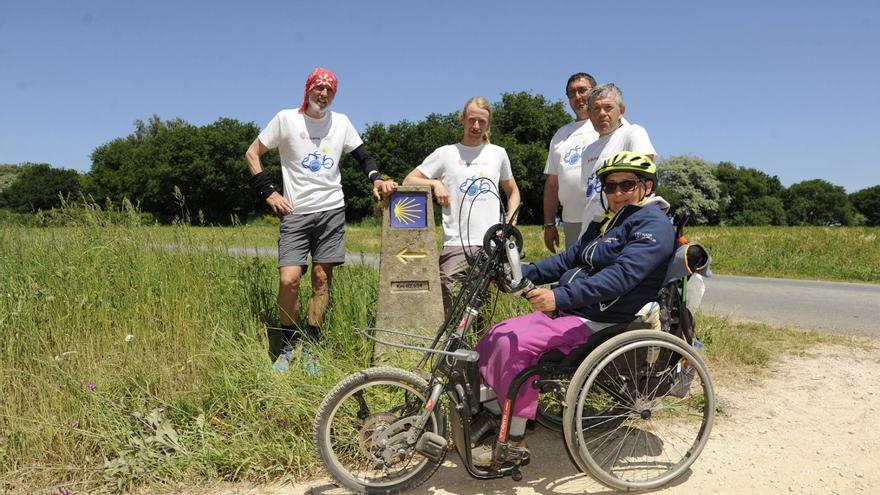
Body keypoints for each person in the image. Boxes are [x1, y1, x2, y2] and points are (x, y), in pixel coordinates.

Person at [473, 152, 674, 465]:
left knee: (517, 347)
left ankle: (514, 440)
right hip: (577, 311)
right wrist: (522, 273)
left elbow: (622, 277)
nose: (617, 193)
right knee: (499, 333)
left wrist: (560, 298)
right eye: (610, 187)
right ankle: (498, 410)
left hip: (602, 319)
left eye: (627, 185)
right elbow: (568, 260)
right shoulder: (607, 222)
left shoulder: (655, 225)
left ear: (647, 186)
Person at [244, 67, 397, 373]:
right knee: (289, 280)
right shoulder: (287, 119)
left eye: (330, 90)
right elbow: (252, 153)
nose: (324, 94)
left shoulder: (341, 122)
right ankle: (288, 343)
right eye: (318, 88)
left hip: (331, 211)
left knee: (321, 278)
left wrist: (376, 178)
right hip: (295, 213)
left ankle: (312, 341)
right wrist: (269, 192)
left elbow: (363, 158)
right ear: (308, 90)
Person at [403, 96, 521, 316]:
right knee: (451, 304)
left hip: (491, 242)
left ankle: (484, 348)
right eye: (472, 120)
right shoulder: (445, 153)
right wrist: (434, 183)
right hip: (455, 242)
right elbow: (409, 180)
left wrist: (510, 221)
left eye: (482, 122)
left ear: (488, 124)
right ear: (462, 119)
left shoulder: (498, 153)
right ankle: (454, 347)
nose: (476, 126)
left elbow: (513, 191)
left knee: (487, 307)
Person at [579, 83, 656, 233]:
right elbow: (588, 194)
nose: (602, 113)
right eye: (596, 108)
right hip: (590, 229)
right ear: (589, 114)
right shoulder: (588, 151)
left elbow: (645, 180)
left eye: (608, 107)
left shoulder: (633, 133)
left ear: (621, 111)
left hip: (621, 229)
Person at [542, 72, 598, 252]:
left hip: (603, 218)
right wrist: (549, 224)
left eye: (582, 90)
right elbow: (552, 185)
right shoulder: (560, 135)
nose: (577, 97)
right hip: (571, 220)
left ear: (595, 92)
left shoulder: (608, 123)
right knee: (575, 273)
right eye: (571, 93)